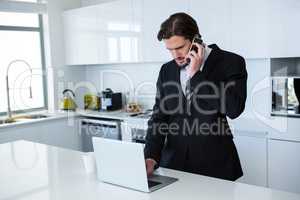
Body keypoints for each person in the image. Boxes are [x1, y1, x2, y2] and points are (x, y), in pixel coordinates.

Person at [144, 12, 247, 181]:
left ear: (196, 40)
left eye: (180, 48)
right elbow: (159, 118)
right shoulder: (166, 70)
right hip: (174, 165)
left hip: (216, 168)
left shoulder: (231, 62)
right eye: (170, 50)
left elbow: (234, 108)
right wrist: (150, 156)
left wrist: (197, 76)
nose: (175, 55)